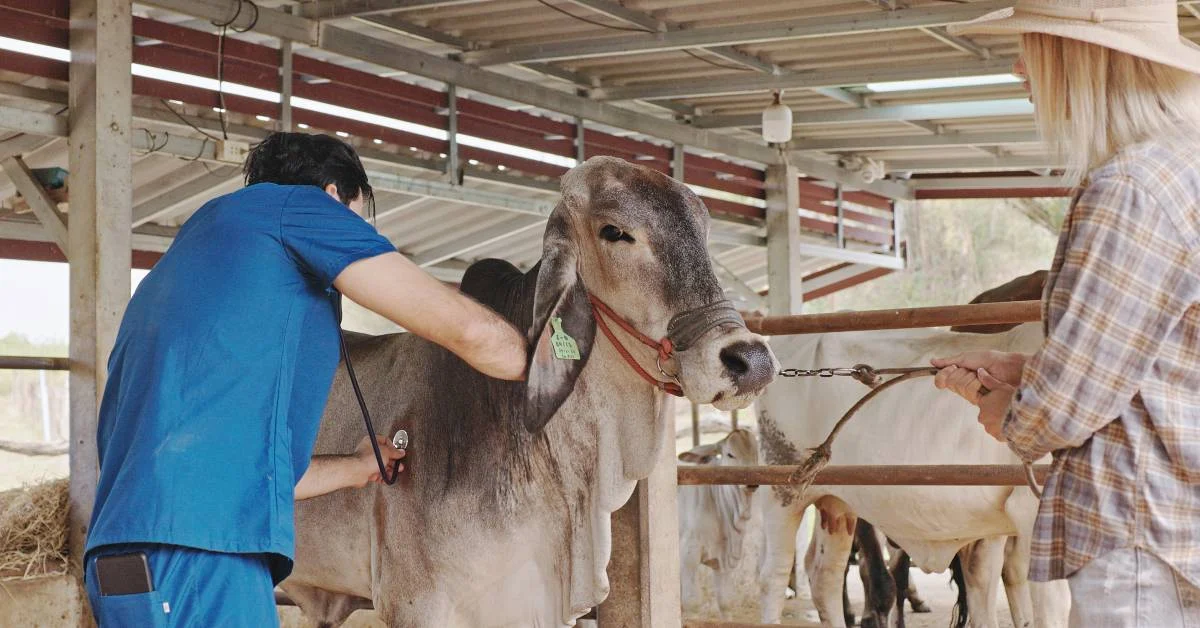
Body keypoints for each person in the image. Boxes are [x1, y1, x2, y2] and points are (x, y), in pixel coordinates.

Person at [83, 132, 529, 627]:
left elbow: (257, 476)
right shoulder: (298, 208)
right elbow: (461, 327)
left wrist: (359, 466)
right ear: (337, 195)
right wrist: (537, 363)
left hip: (124, 562)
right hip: (202, 557)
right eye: (359, 220)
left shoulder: (199, 253)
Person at [929, 2, 1200, 626]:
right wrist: (1024, 366)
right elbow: (1167, 358)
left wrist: (1010, 414)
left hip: (1137, 533)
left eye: (1037, 48)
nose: (1022, 68)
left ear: (1082, 57)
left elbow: (1064, 408)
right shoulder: (1186, 167)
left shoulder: (1130, 186)